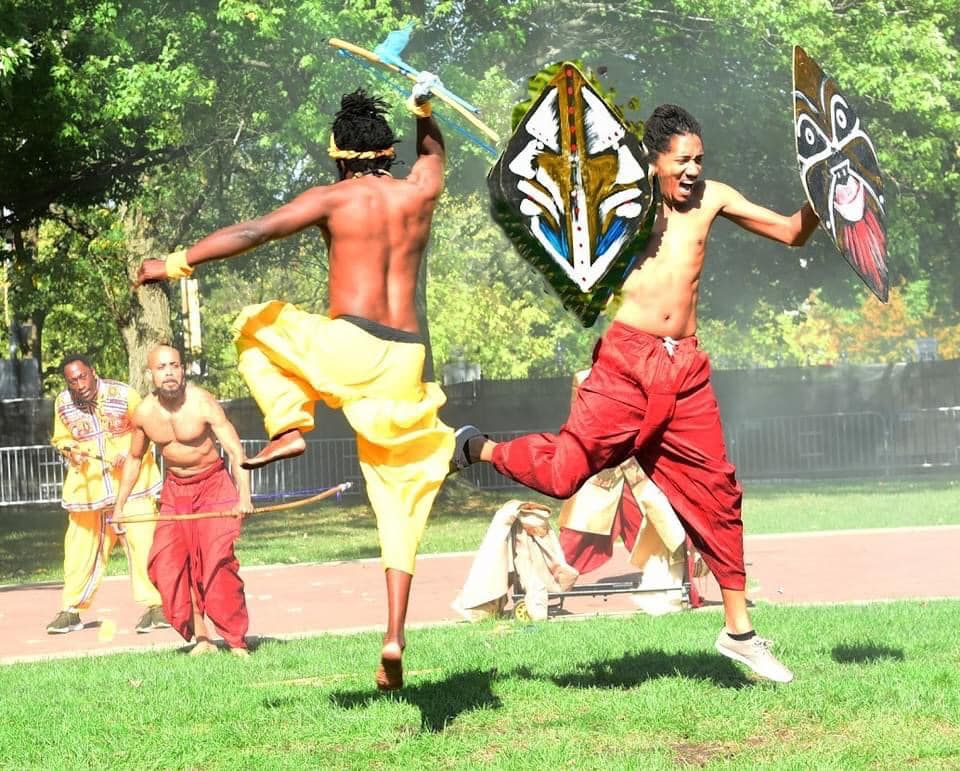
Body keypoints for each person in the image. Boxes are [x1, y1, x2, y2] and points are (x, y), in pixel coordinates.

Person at [452, 104, 820, 683]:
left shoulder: (714, 198)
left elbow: (793, 232)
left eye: (700, 158)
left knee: (719, 491)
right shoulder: (624, 204)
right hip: (626, 364)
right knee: (562, 477)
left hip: (686, 370)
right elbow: (555, 227)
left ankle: (740, 632)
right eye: (683, 160)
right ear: (655, 161)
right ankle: (479, 450)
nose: (694, 170)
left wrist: (825, 197)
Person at [133, 79, 454, 689]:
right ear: (391, 153)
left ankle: (289, 423)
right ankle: (393, 634)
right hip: (407, 360)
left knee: (254, 327)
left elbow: (255, 231)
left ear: (340, 154)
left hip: (352, 344)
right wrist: (424, 108)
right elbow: (435, 156)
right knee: (399, 496)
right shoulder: (421, 190)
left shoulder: (336, 198)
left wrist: (173, 264)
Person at [112, 345, 253, 657]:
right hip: (176, 491)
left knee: (217, 562)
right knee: (169, 564)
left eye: (174, 366)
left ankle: (235, 640)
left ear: (183, 369)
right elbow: (134, 460)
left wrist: (244, 494)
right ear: (151, 373)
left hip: (214, 486)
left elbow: (234, 449)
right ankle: (202, 638)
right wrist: (119, 507)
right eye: (162, 368)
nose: (169, 373)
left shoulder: (203, 402)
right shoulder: (144, 413)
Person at [47, 354, 168, 634]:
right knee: (80, 549)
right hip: (88, 490)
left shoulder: (124, 394)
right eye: (72, 380)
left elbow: (148, 430)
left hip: (134, 485)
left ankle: (157, 606)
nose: (79, 385)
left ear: (93, 371)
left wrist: (130, 454)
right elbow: (61, 438)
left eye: (82, 376)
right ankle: (71, 610)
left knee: (143, 544)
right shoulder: (63, 403)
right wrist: (70, 451)